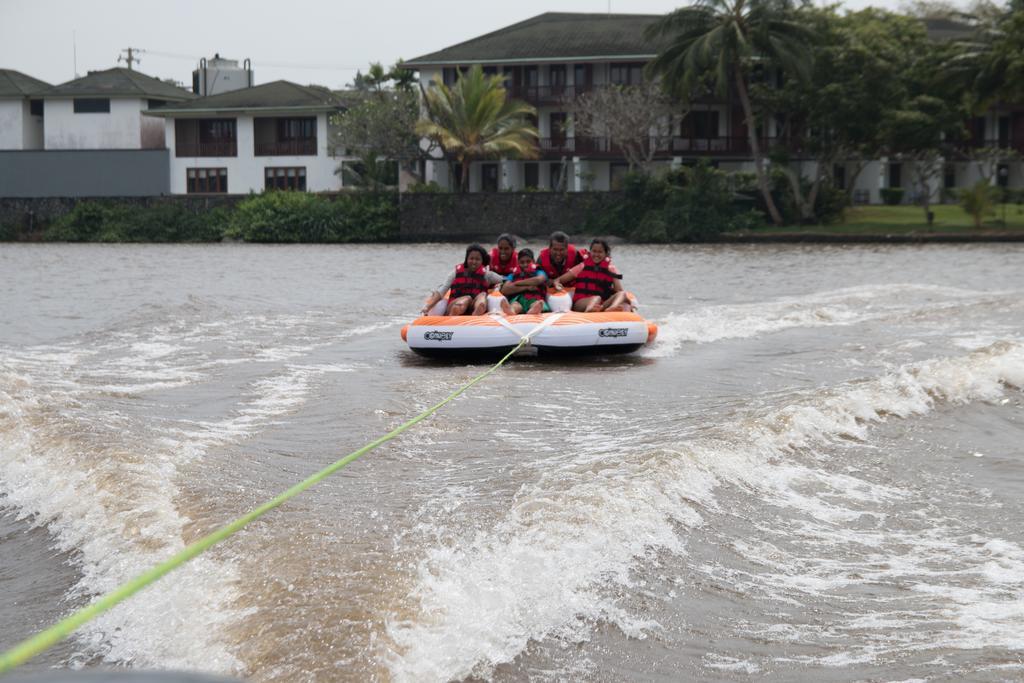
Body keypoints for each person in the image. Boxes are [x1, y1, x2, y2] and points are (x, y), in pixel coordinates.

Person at [420, 244, 509, 316]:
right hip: (455, 305)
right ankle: (454, 319)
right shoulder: (455, 273)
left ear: (482, 261)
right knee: (467, 298)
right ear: (467, 259)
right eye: (471, 258)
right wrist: (428, 307)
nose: (474, 262)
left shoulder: (487, 275)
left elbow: (503, 280)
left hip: (472, 307)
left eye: (477, 259)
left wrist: (499, 286)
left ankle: (475, 317)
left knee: (482, 296)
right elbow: (441, 291)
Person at [553, 238, 632, 313]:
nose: (596, 254)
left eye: (600, 252)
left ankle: (612, 308)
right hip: (581, 304)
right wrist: (557, 284)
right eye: (594, 251)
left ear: (605, 254)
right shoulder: (582, 266)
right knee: (596, 298)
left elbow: (619, 290)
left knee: (623, 294)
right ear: (590, 252)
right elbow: (558, 280)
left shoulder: (611, 269)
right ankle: (590, 310)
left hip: (601, 304)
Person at [500, 248, 550, 314]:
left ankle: (533, 310)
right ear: (518, 263)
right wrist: (526, 287)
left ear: (533, 261)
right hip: (518, 299)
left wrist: (516, 283)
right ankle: (511, 310)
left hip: (535, 297)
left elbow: (538, 280)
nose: (525, 265)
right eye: (522, 262)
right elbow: (504, 290)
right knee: (515, 305)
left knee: (537, 303)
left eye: (528, 261)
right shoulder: (512, 275)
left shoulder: (539, 271)